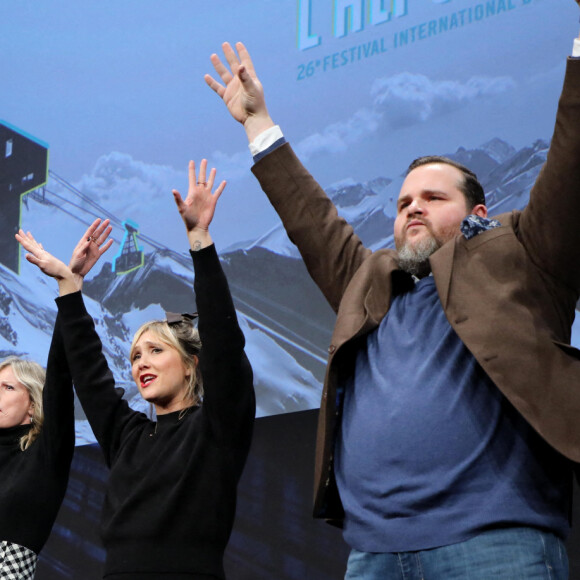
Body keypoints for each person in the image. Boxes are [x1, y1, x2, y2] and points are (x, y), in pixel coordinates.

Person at [204, 14, 580, 580]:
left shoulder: (522, 254)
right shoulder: (369, 281)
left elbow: (572, 163)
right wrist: (259, 122)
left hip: (496, 546)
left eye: (433, 197)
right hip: (372, 557)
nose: (413, 209)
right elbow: (312, 221)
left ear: (479, 214)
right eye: (404, 203)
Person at [16, 159, 256, 580]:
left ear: (190, 366)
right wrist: (69, 288)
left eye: (155, 351)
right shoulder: (128, 436)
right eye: (135, 356)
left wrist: (199, 238)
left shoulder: (215, 428)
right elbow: (90, 375)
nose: (141, 362)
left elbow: (223, 342)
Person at [0, 350, 74, 577]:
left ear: (33, 404)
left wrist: (69, 313)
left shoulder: (45, 454)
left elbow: (59, 381)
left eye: (8, 387)